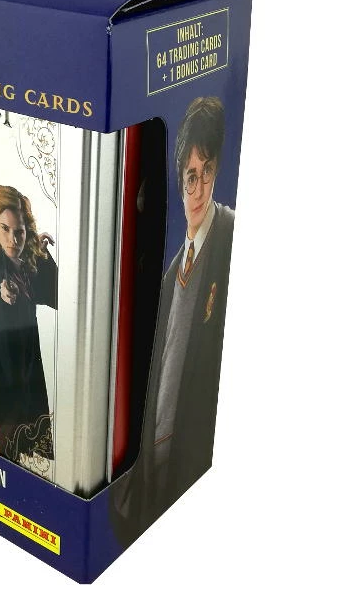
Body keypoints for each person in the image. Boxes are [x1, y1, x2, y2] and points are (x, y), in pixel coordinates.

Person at [151, 96, 235, 512]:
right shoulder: (170, 277)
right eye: (190, 176)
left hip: (198, 469)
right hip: (156, 465)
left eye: (207, 172)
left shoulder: (231, 236)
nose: (198, 189)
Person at [0, 185, 57, 462]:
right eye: (5, 229)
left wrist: (42, 255)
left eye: (19, 232)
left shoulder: (26, 263)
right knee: (2, 447)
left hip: (27, 369)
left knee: (26, 450)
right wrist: (4, 290)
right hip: (1, 373)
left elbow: (58, 296)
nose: (12, 239)